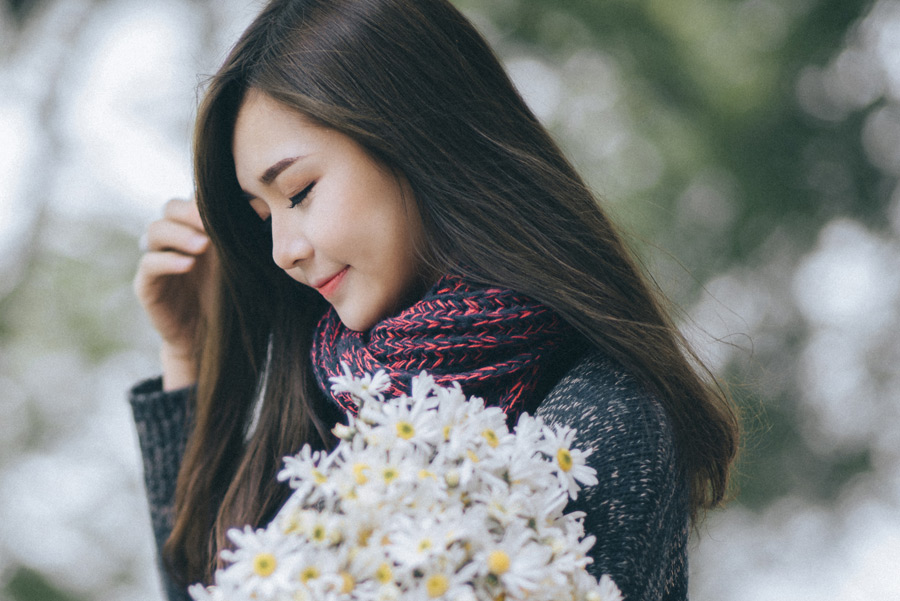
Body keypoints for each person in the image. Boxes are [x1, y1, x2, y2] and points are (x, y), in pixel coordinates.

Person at [130, 0, 740, 599]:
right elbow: (214, 581)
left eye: (299, 191)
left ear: (417, 140)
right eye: (262, 216)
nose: (281, 251)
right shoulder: (323, 412)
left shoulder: (597, 418)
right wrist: (188, 355)